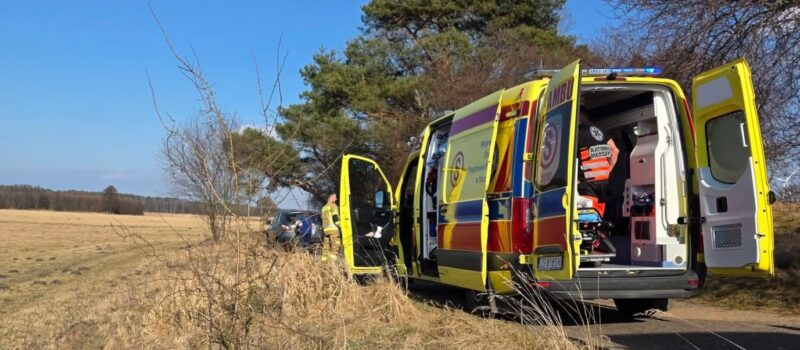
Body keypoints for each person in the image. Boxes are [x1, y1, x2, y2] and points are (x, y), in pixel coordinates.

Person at [577, 106, 620, 217]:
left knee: (587, 217)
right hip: (603, 182)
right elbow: (615, 151)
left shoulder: (578, 133)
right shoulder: (601, 130)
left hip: (587, 183)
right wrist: (607, 171)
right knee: (599, 216)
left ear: (580, 115)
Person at [320, 193, 340, 260]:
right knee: (335, 247)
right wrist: (341, 226)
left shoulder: (324, 207)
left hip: (326, 231)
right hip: (333, 230)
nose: (336, 199)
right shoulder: (333, 206)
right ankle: (332, 263)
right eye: (335, 197)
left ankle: (324, 263)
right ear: (331, 197)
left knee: (326, 248)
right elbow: (335, 218)